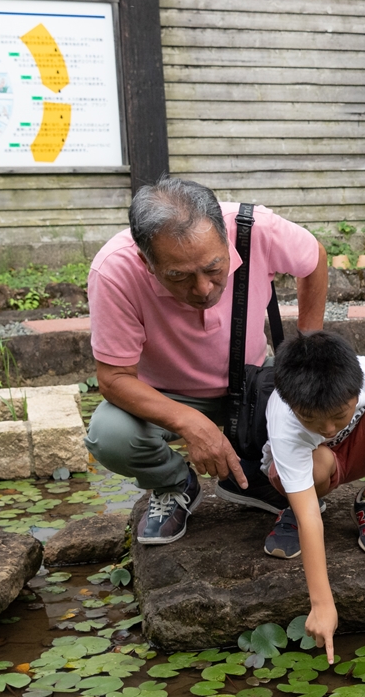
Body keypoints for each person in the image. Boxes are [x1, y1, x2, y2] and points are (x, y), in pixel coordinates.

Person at [86, 178, 326, 546]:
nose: (202, 289)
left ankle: (251, 479)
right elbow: (114, 378)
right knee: (110, 435)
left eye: (214, 268)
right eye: (178, 276)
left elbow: (313, 259)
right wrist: (191, 424)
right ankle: (174, 483)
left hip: (249, 385)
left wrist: (307, 344)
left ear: (227, 239)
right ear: (145, 261)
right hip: (164, 396)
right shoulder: (114, 270)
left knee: (325, 423)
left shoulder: (255, 228)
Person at [261, 329, 365, 662]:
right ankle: (293, 508)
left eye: (339, 416)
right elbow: (313, 520)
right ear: (290, 402)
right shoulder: (284, 420)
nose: (327, 429)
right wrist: (322, 605)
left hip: (354, 455)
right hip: (308, 470)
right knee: (314, 468)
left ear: (356, 386)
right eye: (311, 419)